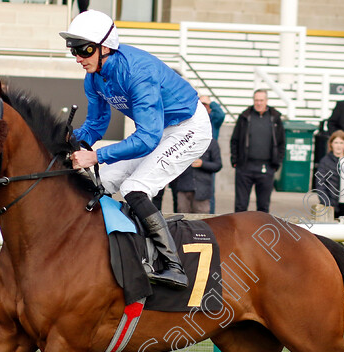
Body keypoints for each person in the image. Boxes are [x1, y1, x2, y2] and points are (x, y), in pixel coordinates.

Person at [61, 10, 212, 289]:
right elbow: (95, 125)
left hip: (189, 127)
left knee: (134, 187)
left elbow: (146, 139)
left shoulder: (137, 72)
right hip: (156, 130)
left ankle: (173, 265)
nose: (78, 58)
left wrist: (95, 155)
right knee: (100, 182)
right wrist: (67, 142)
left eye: (84, 50)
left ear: (105, 47)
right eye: (74, 51)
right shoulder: (94, 77)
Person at [230, 89, 285, 213]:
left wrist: (277, 163)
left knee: (263, 207)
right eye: (256, 100)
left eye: (261, 100)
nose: (258, 103)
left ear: (267, 101)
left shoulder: (275, 118)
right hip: (245, 167)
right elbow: (235, 140)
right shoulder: (245, 116)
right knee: (240, 206)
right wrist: (235, 160)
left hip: (267, 167)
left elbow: (281, 142)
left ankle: (262, 232)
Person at [315, 130, 344, 218]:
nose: (338, 145)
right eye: (336, 142)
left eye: (341, 143)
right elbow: (320, 184)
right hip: (332, 205)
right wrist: (327, 203)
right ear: (331, 144)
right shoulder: (325, 162)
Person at [171, 137, 221, 214]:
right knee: (182, 221)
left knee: (201, 222)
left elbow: (218, 165)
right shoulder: (182, 141)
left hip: (202, 191)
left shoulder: (211, 142)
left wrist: (202, 164)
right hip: (183, 189)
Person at [199, 94, 224, 213]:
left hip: (210, 155)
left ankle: (210, 214)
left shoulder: (214, 120)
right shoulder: (196, 117)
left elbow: (221, 114)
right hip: (195, 153)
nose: (204, 107)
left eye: (206, 106)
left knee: (209, 190)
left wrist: (210, 101)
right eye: (201, 105)